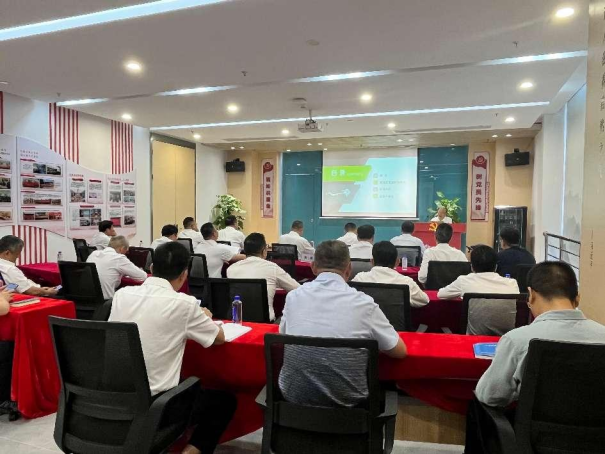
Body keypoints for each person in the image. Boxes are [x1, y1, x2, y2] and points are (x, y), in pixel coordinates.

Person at [109, 242, 236, 454]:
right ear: (184, 274)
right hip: (157, 407)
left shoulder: (122, 295)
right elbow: (219, 338)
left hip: (114, 397)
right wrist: (205, 316)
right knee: (223, 402)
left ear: (151, 268)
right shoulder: (184, 304)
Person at [279, 240, 406, 407]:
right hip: (350, 407)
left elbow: (283, 336)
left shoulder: (293, 297)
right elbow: (399, 351)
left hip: (293, 400)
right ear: (349, 269)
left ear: (313, 267)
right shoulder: (364, 304)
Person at [474, 262, 605, 408]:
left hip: (532, 424)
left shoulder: (517, 340)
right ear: (578, 298)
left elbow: (489, 395)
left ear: (531, 295)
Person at [227, 233, 300, 321]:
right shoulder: (272, 268)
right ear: (264, 251)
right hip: (265, 323)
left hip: (238, 322)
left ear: (244, 250)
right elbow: (297, 289)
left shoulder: (231, 269)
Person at [352, 241, 429, 308]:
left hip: (367, 321)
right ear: (397, 262)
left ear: (372, 262)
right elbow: (424, 300)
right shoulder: (406, 282)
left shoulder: (359, 279)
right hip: (395, 321)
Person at [438, 245, 519, 299]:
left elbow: (441, 294)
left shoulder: (464, 281)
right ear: (496, 267)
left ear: (472, 267)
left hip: (473, 321)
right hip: (506, 322)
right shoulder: (512, 284)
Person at [87, 235, 148, 299]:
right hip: (106, 301)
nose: (126, 253)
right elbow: (142, 276)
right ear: (122, 248)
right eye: (126, 251)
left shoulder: (93, 254)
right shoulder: (118, 258)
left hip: (85, 298)